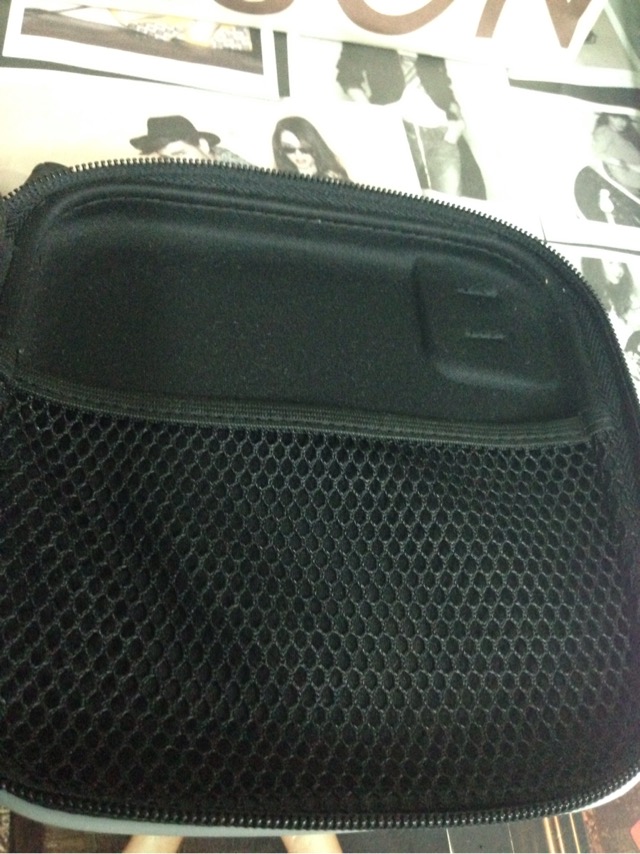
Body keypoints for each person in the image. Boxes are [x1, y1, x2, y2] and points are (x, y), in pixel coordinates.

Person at [335, 42, 485, 198]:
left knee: (448, 201)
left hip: (441, 129)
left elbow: (443, 84)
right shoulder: (370, 36)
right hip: (396, 128)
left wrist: (457, 119)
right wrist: (376, 116)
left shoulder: (430, 39)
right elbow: (347, 77)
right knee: (395, 197)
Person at [130, 115, 249, 165]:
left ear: (203, 146)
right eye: (166, 158)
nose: (175, 164)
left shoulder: (242, 175)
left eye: (180, 154)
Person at [272, 116, 349, 180]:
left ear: (315, 146)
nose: (298, 155)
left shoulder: (334, 178)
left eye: (304, 149)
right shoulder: (278, 177)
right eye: (289, 149)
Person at [581, 257, 635, 335]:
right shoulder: (589, 298)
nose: (619, 270)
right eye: (611, 263)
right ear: (596, 265)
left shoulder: (616, 298)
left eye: (620, 264)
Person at [592, 113, 640, 196]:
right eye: (616, 118)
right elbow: (596, 152)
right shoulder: (605, 131)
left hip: (634, 176)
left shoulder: (617, 133)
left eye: (625, 119)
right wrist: (620, 163)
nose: (622, 123)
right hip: (630, 176)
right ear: (608, 117)